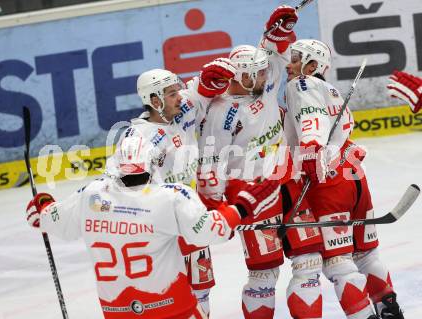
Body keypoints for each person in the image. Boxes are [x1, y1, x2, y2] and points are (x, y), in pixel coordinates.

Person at [25, 130, 281, 319]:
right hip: (173, 309)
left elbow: (45, 219)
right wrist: (243, 205)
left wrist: (44, 204)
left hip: (118, 313)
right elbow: (211, 231)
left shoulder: (90, 196)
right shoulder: (170, 197)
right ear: (150, 164)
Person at [197, 6, 324, 319]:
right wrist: (223, 205)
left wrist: (274, 35)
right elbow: (210, 164)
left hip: (288, 184)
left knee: (309, 262)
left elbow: (271, 50)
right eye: (261, 72)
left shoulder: (262, 79)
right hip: (252, 196)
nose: (269, 75)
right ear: (244, 75)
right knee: (264, 276)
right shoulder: (219, 114)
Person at [283, 38, 404, 319]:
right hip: (355, 178)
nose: (290, 65)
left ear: (312, 65)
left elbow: (312, 121)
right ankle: (389, 310)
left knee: (339, 262)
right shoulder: (331, 89)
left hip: (328, 180)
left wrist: (312, 152)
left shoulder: (302, 83)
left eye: (296, 58)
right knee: (366, 254)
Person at [105, 62, 236, 316]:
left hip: (192, 221)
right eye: (172, 93)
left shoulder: (181, 111)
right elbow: (126, 189)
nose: (180, 97)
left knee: (202, 292)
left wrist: (210, 80)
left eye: (178, 90)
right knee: (171, 302)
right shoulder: (137, 138)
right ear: (155, 100)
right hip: (164, 234)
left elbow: (200, 91)